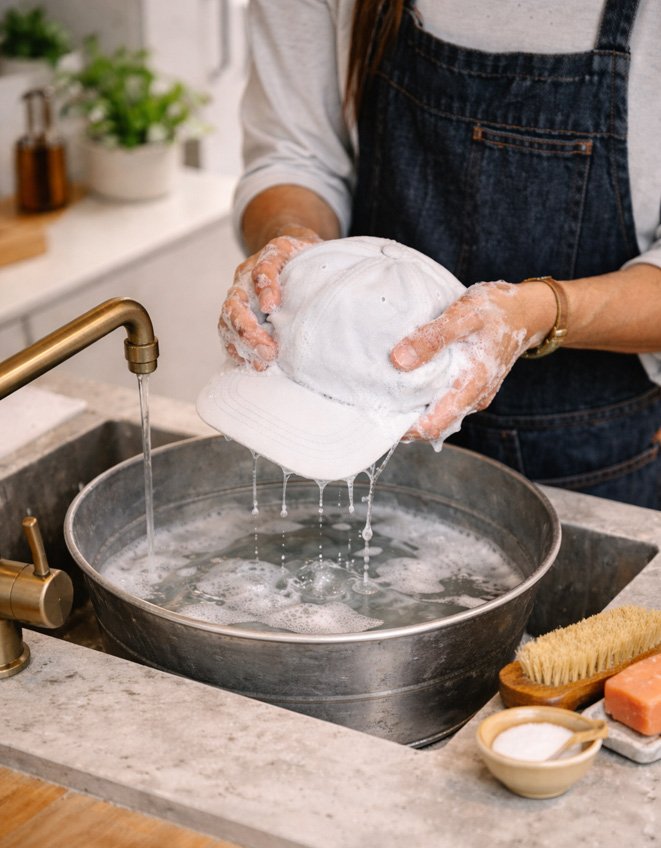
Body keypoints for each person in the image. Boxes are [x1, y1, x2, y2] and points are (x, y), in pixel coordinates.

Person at [218, 0, 661, 508]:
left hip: (586, 454)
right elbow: (293, 155)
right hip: (339, 423)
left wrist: (540, 312)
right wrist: (292, 246)